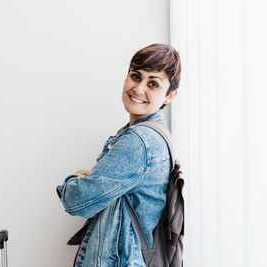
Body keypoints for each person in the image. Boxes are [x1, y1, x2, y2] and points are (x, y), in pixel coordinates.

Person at [56, 43, 181, 267]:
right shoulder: (157, 135)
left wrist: (72, 182)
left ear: (170, 95)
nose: (139, 89)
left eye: (153, 83)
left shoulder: (140, 141)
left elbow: (78, 201)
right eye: (135, 76)